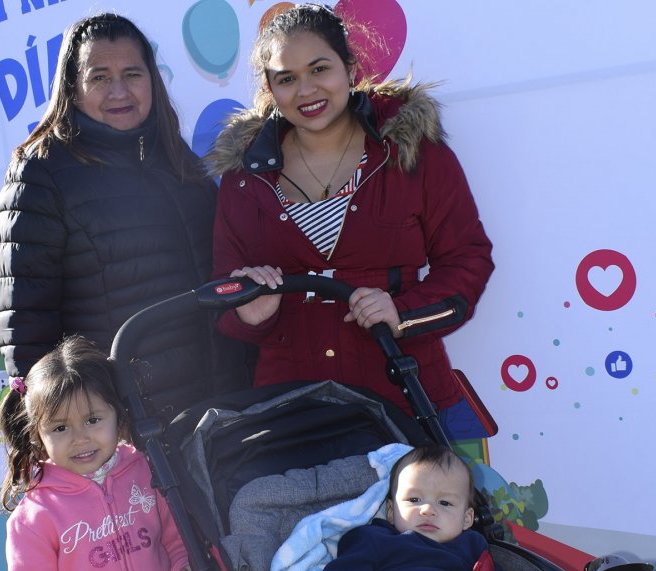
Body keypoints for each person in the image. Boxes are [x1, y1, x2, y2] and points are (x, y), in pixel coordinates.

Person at [206, 4, 493, 423]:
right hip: (292, 410)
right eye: (286, 78)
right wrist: (248, 312)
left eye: (319, 69)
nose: (305, 90)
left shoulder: (412, 151)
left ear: (350, 67)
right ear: (270, 88)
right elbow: (224, 296)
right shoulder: (243, 178)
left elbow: (468, 259)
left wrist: (405, 314)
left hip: (406, 398)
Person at [0, 13, 247, 418]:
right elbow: (27, 324)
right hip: (124, 419)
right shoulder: (40, 170)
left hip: (215, 403)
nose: (119, 91)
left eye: (132, 73)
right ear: (73, 89)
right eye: (99, 77)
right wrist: (61, 423)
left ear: (153, 80)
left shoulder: (174, 158)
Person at [0, 335, 201, 571]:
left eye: (93, 420)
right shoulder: (34, 519)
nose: (80, 439)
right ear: (38, 435)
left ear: (119, 414)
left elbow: (177, 541)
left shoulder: (149, 471)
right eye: (60, 428)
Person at [313, 445, 511, 571]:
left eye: (444, 503)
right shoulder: (374, 539)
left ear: (467, 518)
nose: (428, 510)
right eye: (414, 500)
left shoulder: (474, 549)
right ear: (390, 511)